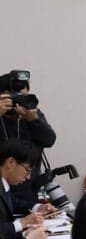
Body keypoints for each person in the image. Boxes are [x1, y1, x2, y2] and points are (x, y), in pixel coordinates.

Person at [0, 70, 57, 211]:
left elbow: (49, 140)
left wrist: (34, 120)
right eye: (14, 97)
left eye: (23, 97)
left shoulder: (31, 114)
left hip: (27, 191)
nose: (18, 101)